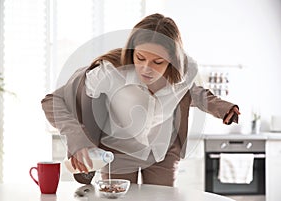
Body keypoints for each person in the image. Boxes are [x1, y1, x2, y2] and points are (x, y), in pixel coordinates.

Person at [41, 13, 240, 186]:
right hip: (118, 151)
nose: (146, 68)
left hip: (162, 151)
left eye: (158, 62)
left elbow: (190, 92)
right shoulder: (109, 72)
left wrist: (222, 108)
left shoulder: (185, 71)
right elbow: (53, 101)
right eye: (140, 58)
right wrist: (78, 140)